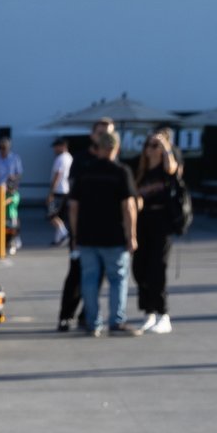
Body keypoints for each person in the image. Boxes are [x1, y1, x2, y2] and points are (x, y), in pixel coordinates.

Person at [66, 127, 138, 335]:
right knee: (117, 279)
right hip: (113, 236)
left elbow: (73, 206)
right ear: (115, 148)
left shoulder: (85, 172)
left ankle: (93, 323)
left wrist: (75, 234)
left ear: (98, 148)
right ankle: (116, 322)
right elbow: (129, 207)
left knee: (89, 279)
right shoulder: (121, 172)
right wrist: (131, 235)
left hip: (87, 235)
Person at [58, 117, 115, 331]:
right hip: (82, 227)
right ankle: (66, 315)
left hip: (106, 230)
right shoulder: (81, 160)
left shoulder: (115, 163)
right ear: (92, 136)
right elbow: (74, 198)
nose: (104, 138)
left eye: (108, 133)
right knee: (76, 273)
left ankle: (86, 314)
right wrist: (74, 233)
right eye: (100, 133)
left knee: (98, 274)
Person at [132, 128, 186, 334]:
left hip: (161, 222)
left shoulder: (166, 169)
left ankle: (163, 314)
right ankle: (149, 312)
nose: (150, 149)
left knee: (157, 268)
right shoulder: (140, 171)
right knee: (139, 269)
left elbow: (173, 168)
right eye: (148, 145)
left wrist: (165, 147)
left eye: (154, 145)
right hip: (142, 222)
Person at [48, 138, 73, 247]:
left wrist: (51, 192)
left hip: (59, 190)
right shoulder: (69, 157)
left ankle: (64, 233)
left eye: (56, 147)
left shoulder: (61, 158)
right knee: (60, 216)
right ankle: (57, 239)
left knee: (51, 215)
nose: (54, 149)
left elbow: (58, 174)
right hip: (66, 190)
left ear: (62, 146)